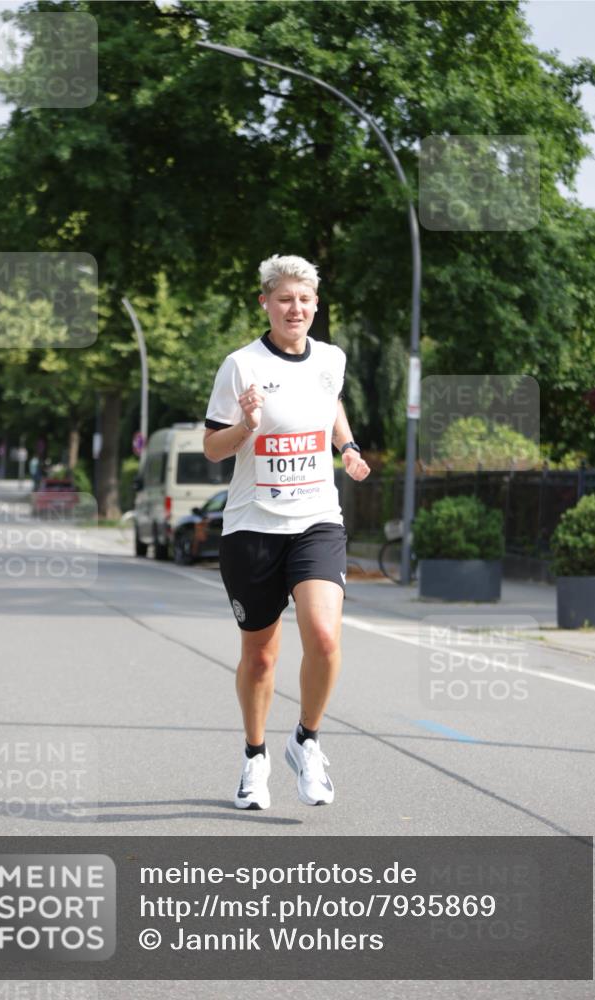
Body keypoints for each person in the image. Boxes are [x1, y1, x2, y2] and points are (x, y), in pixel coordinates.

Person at [203, 254, 370, 810]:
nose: (294, 308)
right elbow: (211, 447)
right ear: (266, 304)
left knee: (324, 636)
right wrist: (246, 426)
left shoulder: (331, 358)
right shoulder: (240, 366)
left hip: (317, 518)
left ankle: (306, 740)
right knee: (262, 656)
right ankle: (255, 757)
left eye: (304, 299)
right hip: (253, 526)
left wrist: (345, 446)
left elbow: (331, 402)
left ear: (315, 305)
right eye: (284, 299)